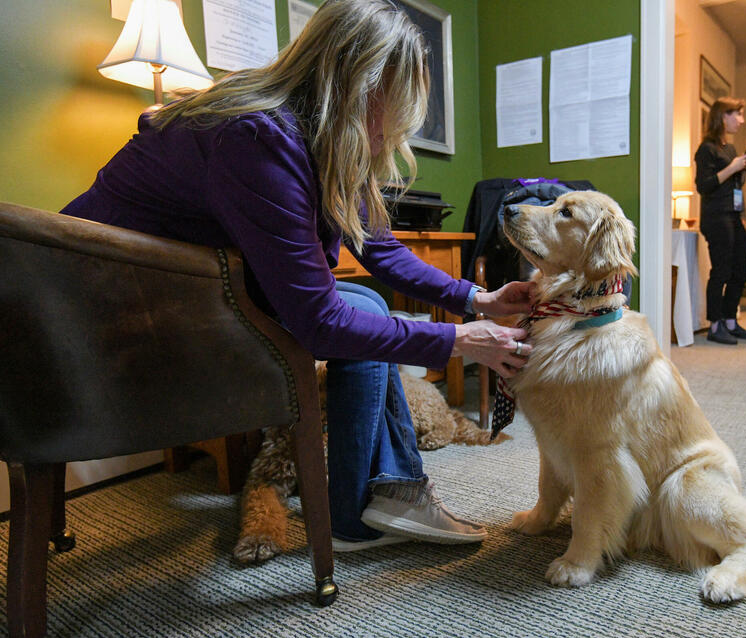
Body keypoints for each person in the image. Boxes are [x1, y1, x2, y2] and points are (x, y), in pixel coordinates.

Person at [60, 0, 535, 551]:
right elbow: (319, 322)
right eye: (396, 105)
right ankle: (369, 506)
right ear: (358, 86)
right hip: (110, 308)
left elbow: (379, 247)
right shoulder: (256, 137)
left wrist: (477, 299)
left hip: (192, 290)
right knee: (358, 311)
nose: (396, 129)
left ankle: (381, 499)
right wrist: (460, 340)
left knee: (368, 306)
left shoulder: (323, 137)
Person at [694, 97, 746, 345]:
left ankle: (731, 321)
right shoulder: (706, 149)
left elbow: (734, 186)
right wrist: (733, 167)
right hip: (716, 217)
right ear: (723, 116)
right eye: (737, 115)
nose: (741, 120)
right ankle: (715, 325)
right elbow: (704, 186)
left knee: (741, 269)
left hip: (733, 215)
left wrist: (743, 169)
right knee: (721, 271)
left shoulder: (729, 149)